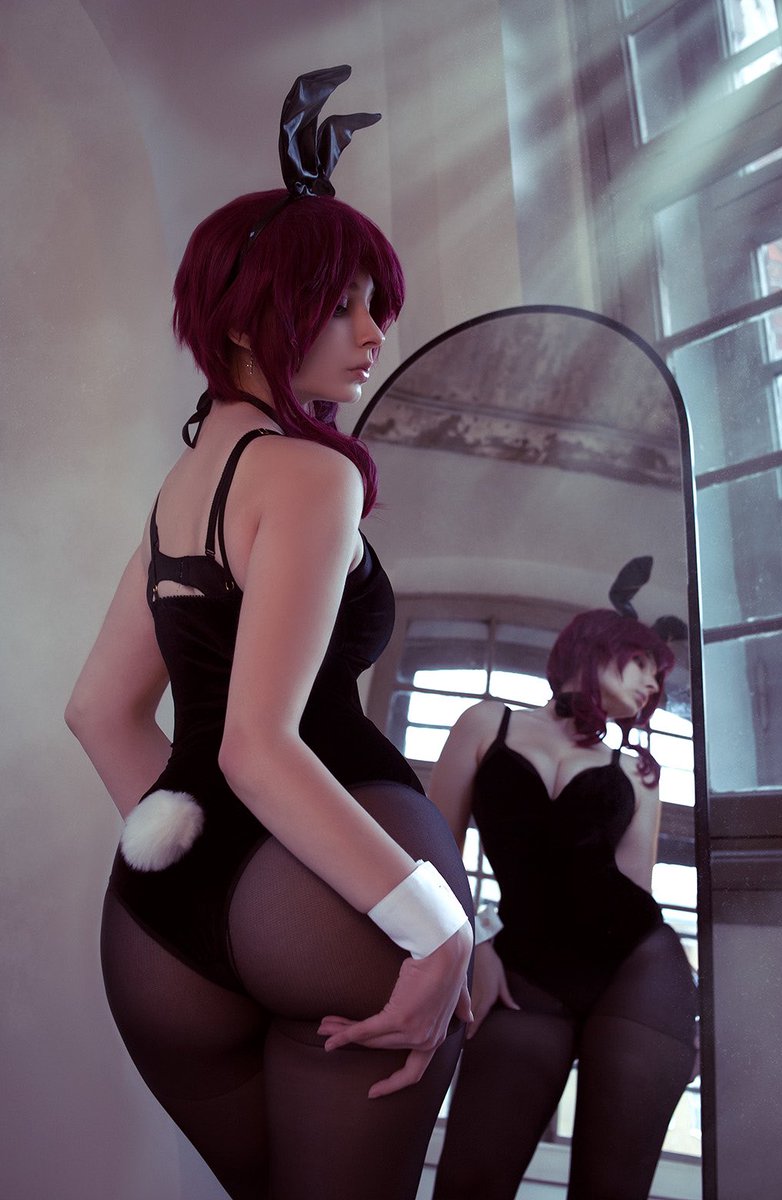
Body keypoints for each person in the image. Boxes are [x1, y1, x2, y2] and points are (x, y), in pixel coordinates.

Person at [65, 67, 473, 1200]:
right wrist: (440, 928)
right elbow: (257, 744)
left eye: (375, 303)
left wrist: (201, 864)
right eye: (342, 306)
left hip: (157, 939)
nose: (374, 332)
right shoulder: (308, 473)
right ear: (246, 319)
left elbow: (97, 713)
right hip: (329, 914)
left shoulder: (184, 488)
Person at [430, 609, 698, 1200]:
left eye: (659, 679)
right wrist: (477, 939)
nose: (652, 685)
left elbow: (637, 891)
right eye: (643, 665)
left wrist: (685, 1012)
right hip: (526, 970)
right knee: (468, 1183)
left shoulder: (637, 772)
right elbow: (432, 854)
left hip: (640, 973)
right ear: (596, 647)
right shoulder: (487, 723)